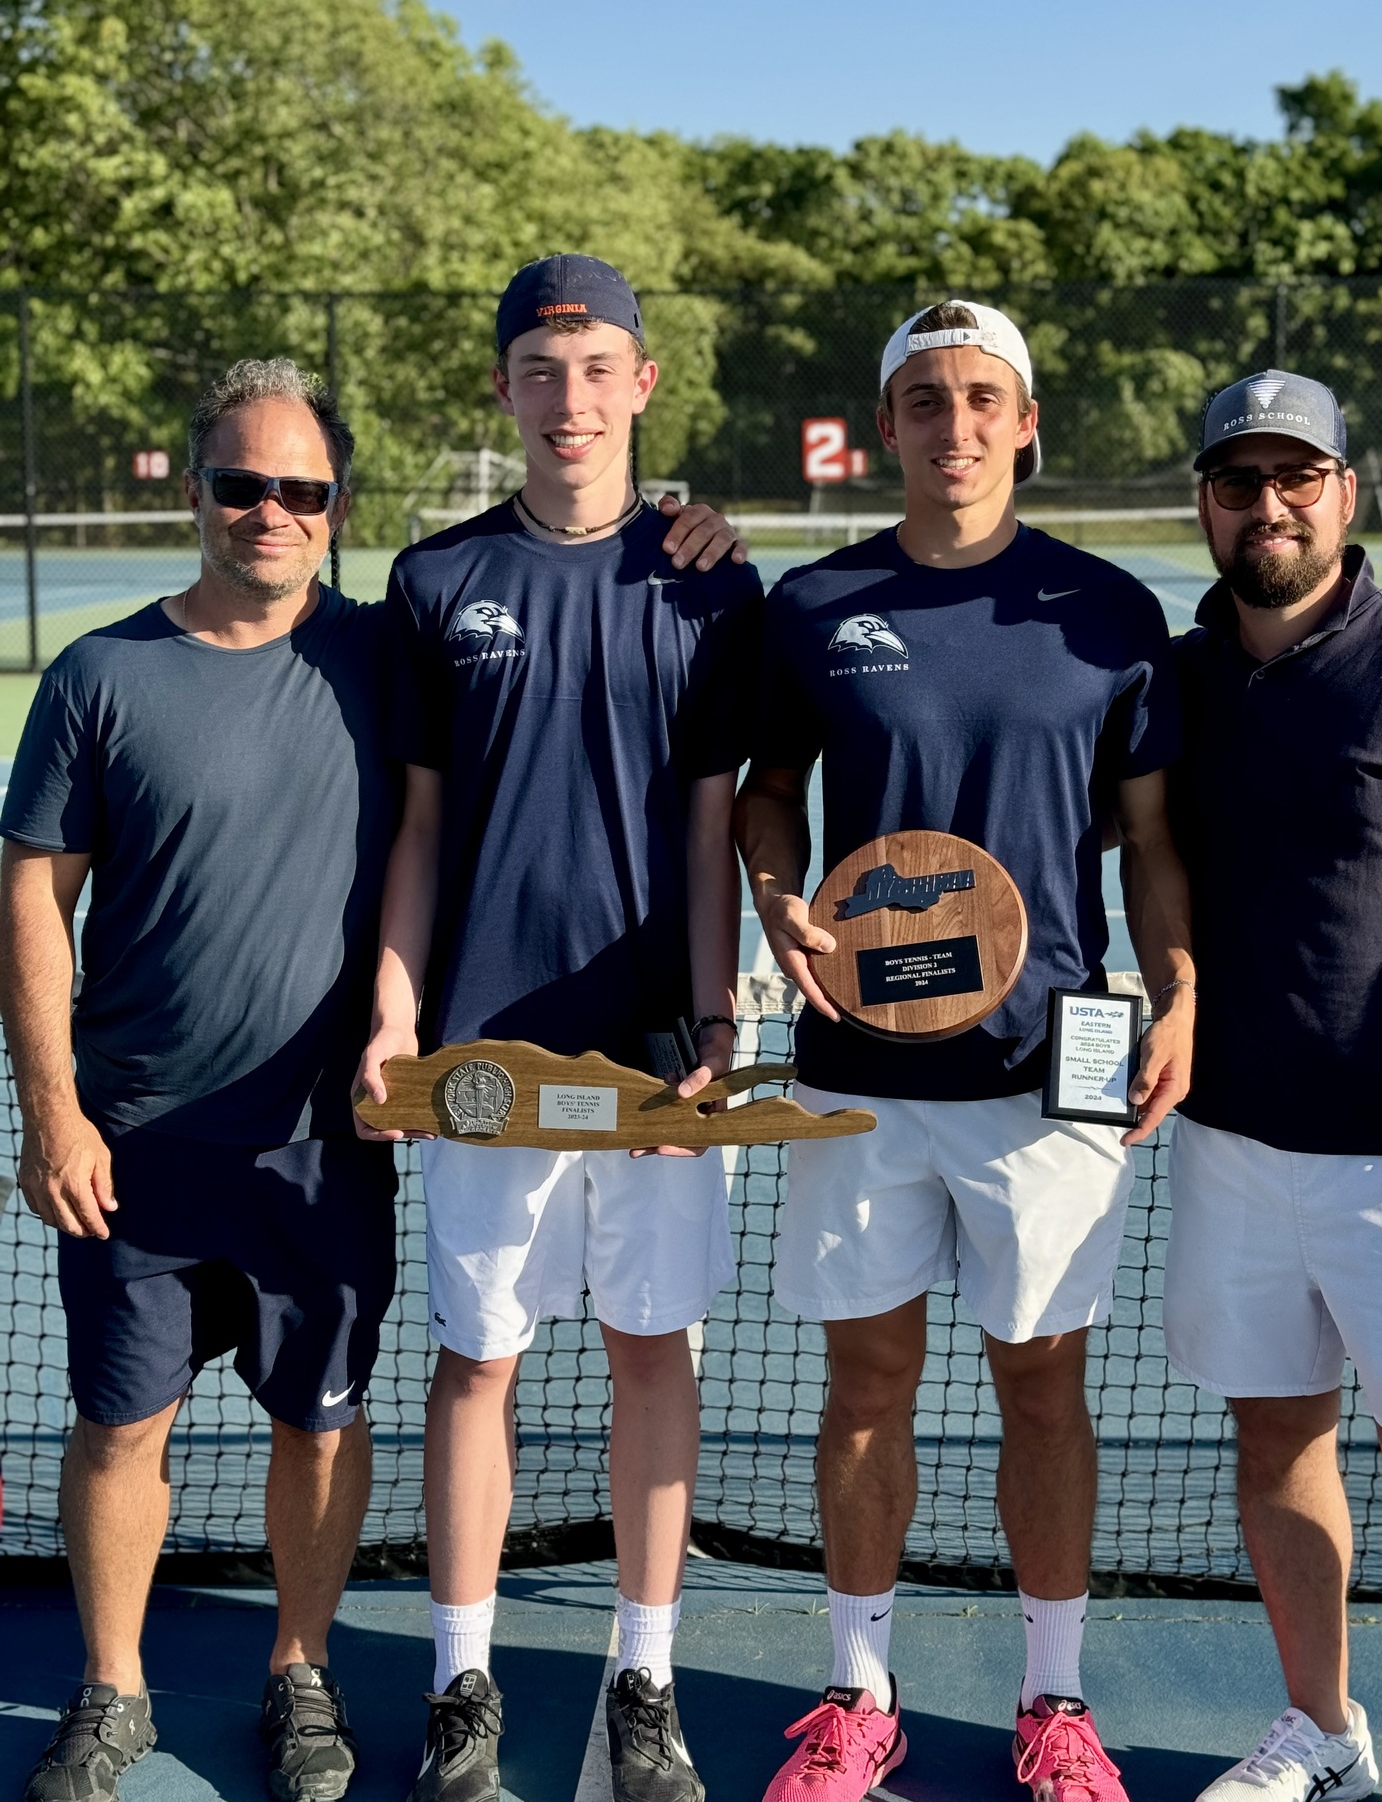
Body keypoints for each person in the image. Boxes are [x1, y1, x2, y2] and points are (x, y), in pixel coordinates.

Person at [1, 354, 741, 1802]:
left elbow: (455, 802)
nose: (267, 511)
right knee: (118, 1423)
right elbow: (33, 892)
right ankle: (112, 1689)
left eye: (300, 489)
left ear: (335, 508)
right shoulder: (99, 674)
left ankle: (302, 1674)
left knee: (319, 1421)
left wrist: (680, 518)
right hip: (140, 1136)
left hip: (325, 1142)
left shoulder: (377, 647)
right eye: (240, 485)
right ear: (199, 491)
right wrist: (51, 1106)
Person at [737, 300, 1196, 1802]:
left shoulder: (1112, 615)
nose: (956, 425)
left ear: (1027, 420)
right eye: (926, 400)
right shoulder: (815, 604)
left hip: (1045, 1076)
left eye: (983, 398)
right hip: (855, 1076)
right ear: (890, 427)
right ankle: (857, 1693)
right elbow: (766, 786)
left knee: (1043, 1389)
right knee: (865, 1384)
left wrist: (1177, 980)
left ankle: (1054, 1703)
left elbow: (1148, 841)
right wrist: (775, 894)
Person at [355, 255, 763, 1802]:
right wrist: (397, 1013)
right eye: (542, 367)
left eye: (598, 368)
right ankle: (461, 1685)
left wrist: (718, 1012)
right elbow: (413, 832)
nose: (570, 396)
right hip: (479, 1059)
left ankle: (641, 1680)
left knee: (653, 1352)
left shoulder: (715, 584)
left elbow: (717, 823)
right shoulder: (434, 581)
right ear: (506, 388)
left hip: (655, 1056)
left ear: (643, 383)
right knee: (480, 1363)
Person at [1164, 370, 1382, 1802]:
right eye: (1242, 482)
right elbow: (1151, 857)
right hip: (1231, 1140)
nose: (1270, 505)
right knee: (1278, 1439)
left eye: (1298, 477)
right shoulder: (1176, 676)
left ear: (1344, 492)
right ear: (1208, 506)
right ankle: (1324, 1732)